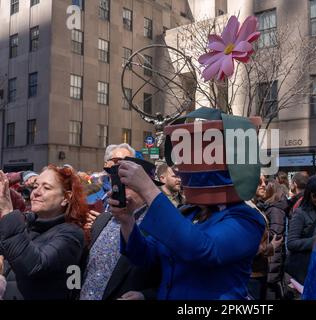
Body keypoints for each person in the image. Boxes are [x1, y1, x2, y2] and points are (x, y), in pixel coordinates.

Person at [109, 107, 266, 299]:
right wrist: (127, 221)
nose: (181, 169)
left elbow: (203, 250)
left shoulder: (246, 219)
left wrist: (149, 189)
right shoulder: (188, 213)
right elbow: (145, 257)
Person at [0, 166, 88, 300]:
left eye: (46, 188)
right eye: (35, 187)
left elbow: (34, 266)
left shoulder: (72, 234)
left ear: (66, 197)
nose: (36, 192)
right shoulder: (26, 223)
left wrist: (7, 212)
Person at [80, 158, 161, 300]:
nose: (119, 187)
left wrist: (145, 296)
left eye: (128, 183)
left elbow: (169, 280)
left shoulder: (158, 226)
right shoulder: (101, 219)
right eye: (117, 181)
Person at [286, 175, 316, 285]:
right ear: (309, 194)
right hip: (305, 271)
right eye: (315, 195)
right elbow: (291, 243)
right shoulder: (301, 213)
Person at [86, 143, 135, 229]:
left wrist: (102, 223)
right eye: (117, 161)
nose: (123, 165)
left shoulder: (138, 198)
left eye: (129, 161)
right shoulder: (90, 197)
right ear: (106, 164)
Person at [263, 180, 290, 299]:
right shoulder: (272, 208)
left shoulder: (274, 209)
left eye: (266, 188)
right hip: (271, 258)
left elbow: (276, 237)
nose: (263, 188)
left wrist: (271, 268)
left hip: (272, 260)